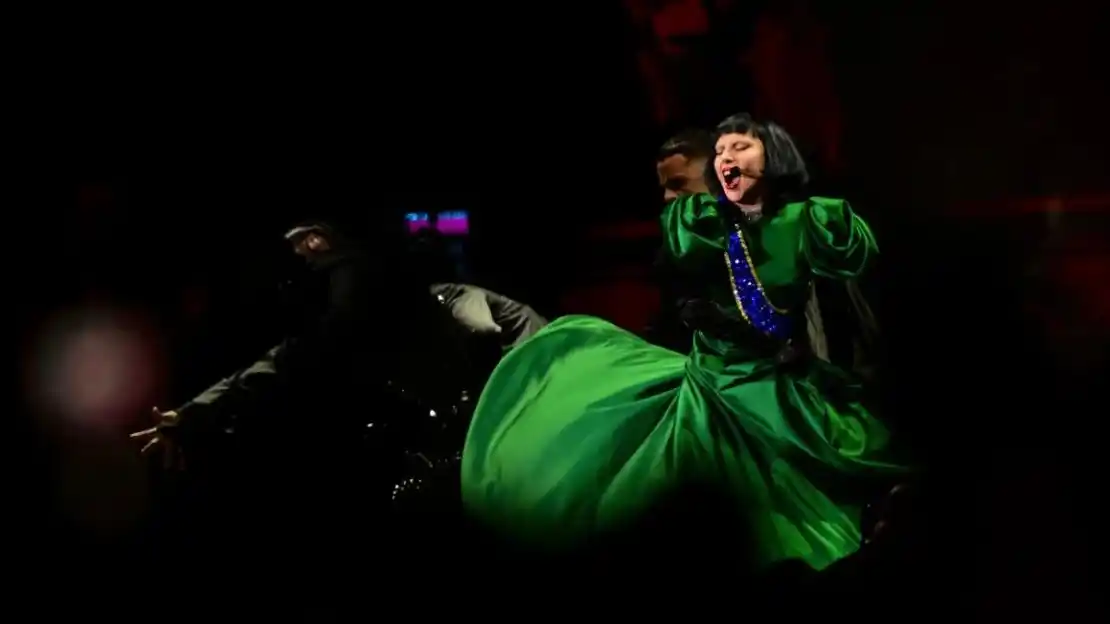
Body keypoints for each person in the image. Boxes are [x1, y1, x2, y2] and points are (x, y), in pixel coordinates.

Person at [460, 112, 906, 574]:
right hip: (716, 395)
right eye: (664, 189)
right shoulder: (692, 251)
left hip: (779, 397)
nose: (670, 200)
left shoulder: (790, 233)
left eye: (679, 185)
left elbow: (840, 317)